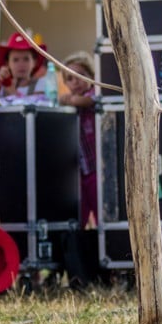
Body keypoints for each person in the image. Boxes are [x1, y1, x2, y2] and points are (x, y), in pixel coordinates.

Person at [60, 51, 97, 229]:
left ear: (92, 76)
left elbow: (88, 101)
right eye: (70, 78)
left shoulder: (94, 95)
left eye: (81, 75)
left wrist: (72, 100)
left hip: (96, 168)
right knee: (79, 216)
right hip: (79, 171)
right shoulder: (68, 102)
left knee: (101, 213)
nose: (75, 82)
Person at [0, 32, 46, 99]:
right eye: (15, 60)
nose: (21, 64)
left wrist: (12, 90)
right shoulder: (2, 86)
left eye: (26, 59)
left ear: (34, 62)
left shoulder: (40, 84)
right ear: (7, 63)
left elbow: (36, 104)